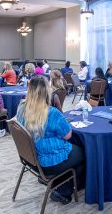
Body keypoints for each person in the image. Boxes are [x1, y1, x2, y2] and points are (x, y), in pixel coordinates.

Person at [15, 76, 85, 204]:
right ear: (46, 92)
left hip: (32, 160)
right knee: (84, 152)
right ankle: (63, 190)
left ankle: (59, 182)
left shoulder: (22, 109)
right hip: (49, 161)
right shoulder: (52, 112)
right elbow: (68, 135)